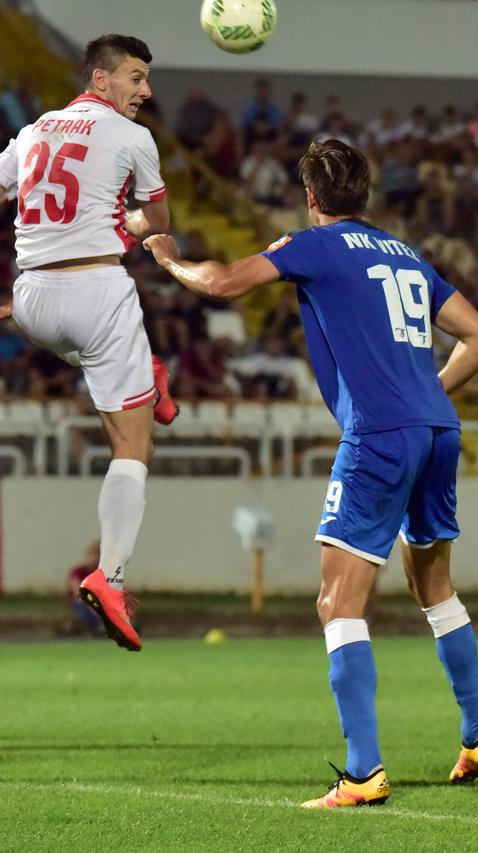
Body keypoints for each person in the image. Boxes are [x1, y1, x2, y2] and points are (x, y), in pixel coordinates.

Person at [143, 139, 478, 808]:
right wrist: (429, 394)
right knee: (435, 585)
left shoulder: (316, 245)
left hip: (381, 434)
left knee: (338, 602)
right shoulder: (406, 254)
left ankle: (364, 772)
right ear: (364, 195)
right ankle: (477, 736)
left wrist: (169, 258)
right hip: (438, 430)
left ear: (311, 199)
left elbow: (221, 281)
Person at [0, 35, 174, 652]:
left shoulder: (33, 131)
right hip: (95, 290)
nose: (145, 90)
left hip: (32, 301)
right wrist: (125, 221)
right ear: (100, 80)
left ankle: (147, 376)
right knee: (132, 444)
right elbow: (157, 223)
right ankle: (113, 575)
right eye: (135, 76)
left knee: (97, 358)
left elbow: (4, 190)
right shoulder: (134, 139)